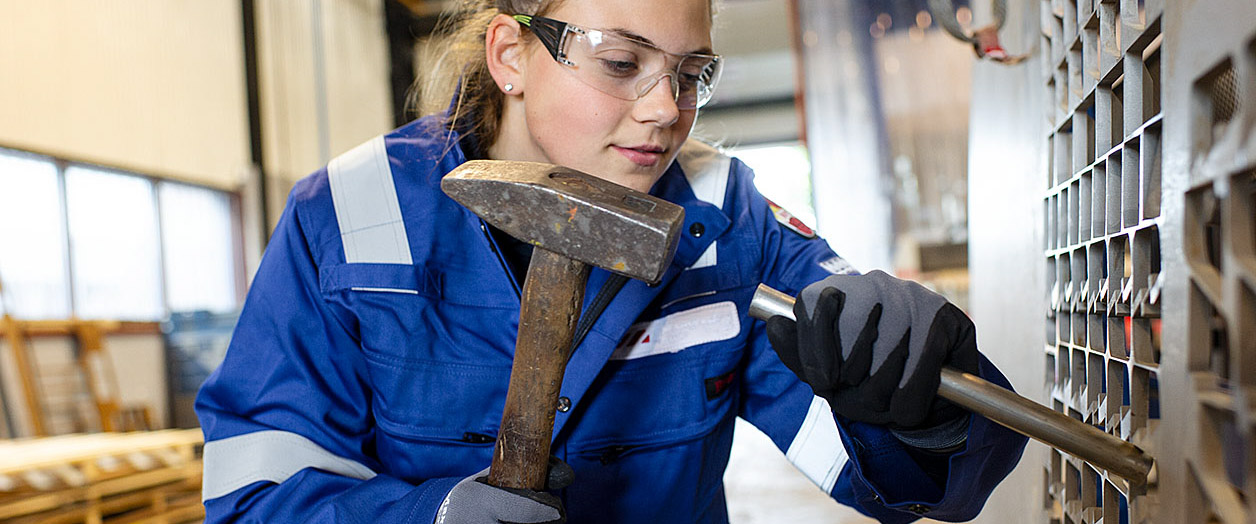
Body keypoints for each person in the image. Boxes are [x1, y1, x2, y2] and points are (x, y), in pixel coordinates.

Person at [195, 0, 1028, 522]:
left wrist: (921, 409)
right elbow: (255, 495)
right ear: (511, 56)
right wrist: (432, 515)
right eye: (622, 63)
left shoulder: (724, 219)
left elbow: (911, 484)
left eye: (691, 72)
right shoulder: (347, 213)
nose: (667, 111)